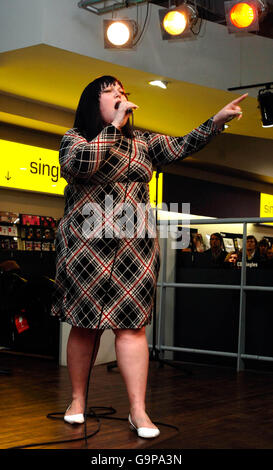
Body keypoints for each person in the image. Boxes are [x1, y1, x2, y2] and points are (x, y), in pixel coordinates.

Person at [50, 75, 247, 438]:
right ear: (93, 104)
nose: (121, 97)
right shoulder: (74, 139)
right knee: (83, 323)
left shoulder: (144, 143)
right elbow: (82, 166)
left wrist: (215, 122)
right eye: (111, 93)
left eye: (123, 93)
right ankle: (77, 400)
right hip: (85, 247)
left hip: (133, 250)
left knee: (132, 326)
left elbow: (183, 144)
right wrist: (113, 128)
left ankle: (138, 411)